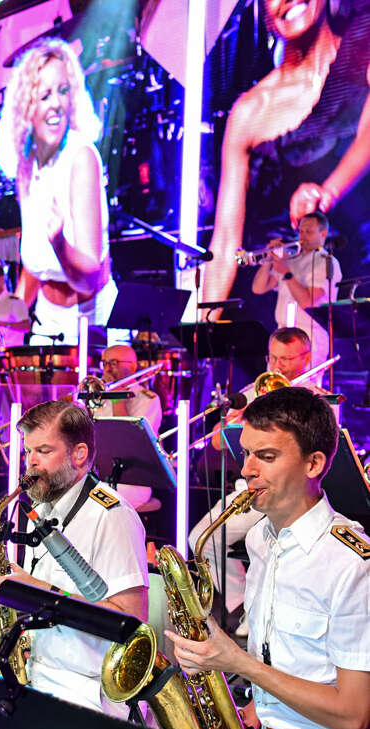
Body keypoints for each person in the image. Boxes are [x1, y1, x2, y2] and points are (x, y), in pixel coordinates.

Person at [168, 387, 370, 729]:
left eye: (267, 456)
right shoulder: (261, 538)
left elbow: (356, 717)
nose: (246, 470)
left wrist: (236, 662)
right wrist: (252, 707)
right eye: (246, 453)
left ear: (314, 464)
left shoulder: (352, 563)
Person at [202, 0, 369, 309]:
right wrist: (203, 335)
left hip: (358, 295)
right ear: (264, 12)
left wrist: (328, 192)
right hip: (282, 311)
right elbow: (225, 242)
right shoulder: (250, 111)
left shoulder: (363, 51)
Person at [0, 400, 149, 714]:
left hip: (87, 689)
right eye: (27, 451)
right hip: (37, 672)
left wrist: (35, 591)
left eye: (44, 451)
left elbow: (132, 623)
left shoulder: (112, 516)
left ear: (78, 454)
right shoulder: (44, 508)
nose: (30, 463)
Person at [197, 327, 327, 632]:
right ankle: (242, 605)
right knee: (200, 539)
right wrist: (237, 418)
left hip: (291, 492)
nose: (279, 366)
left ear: (306, 359)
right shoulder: (254, 391)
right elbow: (217, 444)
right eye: (274, 357)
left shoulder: (318, 399)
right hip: (251, 488)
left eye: (287, 359)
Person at [0, 38, 117, 345]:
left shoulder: (82, 158)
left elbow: (87, 280)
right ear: (27, 106)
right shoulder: (26, 165)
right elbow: (36, 264)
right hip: (47, 320)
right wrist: (11, 320)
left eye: (63, 91)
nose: (56, 104)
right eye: (45, 95)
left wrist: (60, 242)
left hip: (92, 320)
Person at [251, 213, 342, 369]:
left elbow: (308, 301)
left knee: (301, 391)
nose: (303, 236)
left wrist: (286, 272)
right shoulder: (290, 260)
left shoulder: (328, 262)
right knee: (274, 390)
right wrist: (268, 260)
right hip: (282, 334)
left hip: (308, 336)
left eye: (309, 232)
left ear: (323, 234)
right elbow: (258, 288)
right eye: (301, 231)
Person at [93, 343, 162, 509]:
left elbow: (125, 441)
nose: (107, 369)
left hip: (131, 480)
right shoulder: (97, 396)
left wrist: (117, 397)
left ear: (133, 366)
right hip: (98, 475)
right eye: (105, 363)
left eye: (114, 363)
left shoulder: (148, 399)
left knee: (99, 507)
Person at [0, 262, 30, 348]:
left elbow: (26, 327)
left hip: (11, 353)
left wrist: (3, 324)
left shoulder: (15, 302)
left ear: (1, 278)